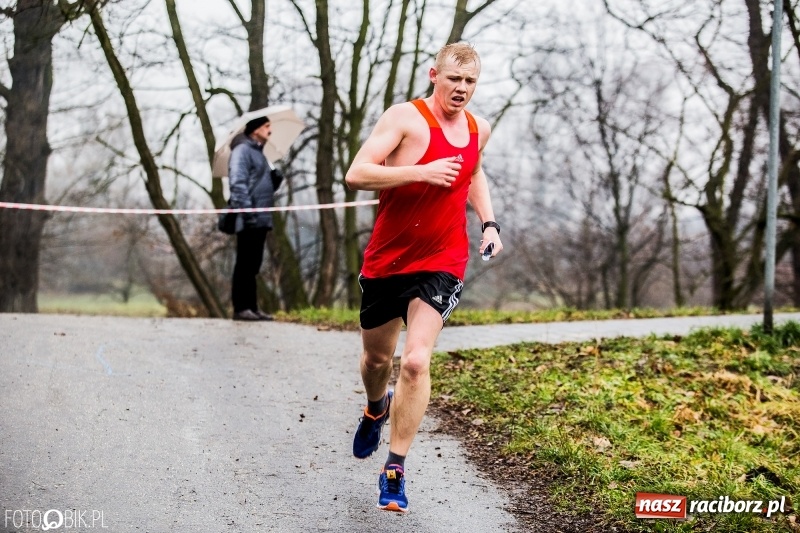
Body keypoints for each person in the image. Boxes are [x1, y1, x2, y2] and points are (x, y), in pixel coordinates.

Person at [344, 42, 503, 513]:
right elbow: (356, 174)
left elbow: (472, 173)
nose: (462, 89)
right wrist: (421, 171)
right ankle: (376, 406)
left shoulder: (479, 128)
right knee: (377, 361)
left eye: (471, 82)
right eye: (454, 78)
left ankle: (394, 468)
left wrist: (489, 223)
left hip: (443, 257)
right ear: (435, 75)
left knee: (415, 361)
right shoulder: (404, 118)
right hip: (388, 259)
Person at [228, 116, 278, 321]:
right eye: (267, 126)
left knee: (254, 263)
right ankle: (241, 308)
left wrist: (275, 180)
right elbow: (238, 182)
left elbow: (260, 187)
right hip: (249, 216)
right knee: (245, 263)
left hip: (261, 217)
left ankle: (252, 307)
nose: (270, 130)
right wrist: (247, 213)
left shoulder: (259, 153)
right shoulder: (242, 150)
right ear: (255, 129)